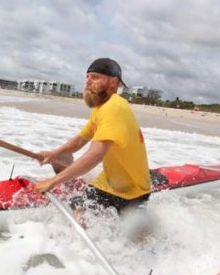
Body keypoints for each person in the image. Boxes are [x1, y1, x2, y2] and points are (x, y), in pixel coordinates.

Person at [34, 58, 151, 216]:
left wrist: (52, 182)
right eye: (87, 77)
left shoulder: (114, 107)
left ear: (113, 82)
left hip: (132, 192)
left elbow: (95, 154)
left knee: (85, 221)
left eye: (95, 77)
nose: (88, 81)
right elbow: (81, 139)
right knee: (77, 210)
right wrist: (53, 154)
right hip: (108, 183)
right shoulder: (101, 107)